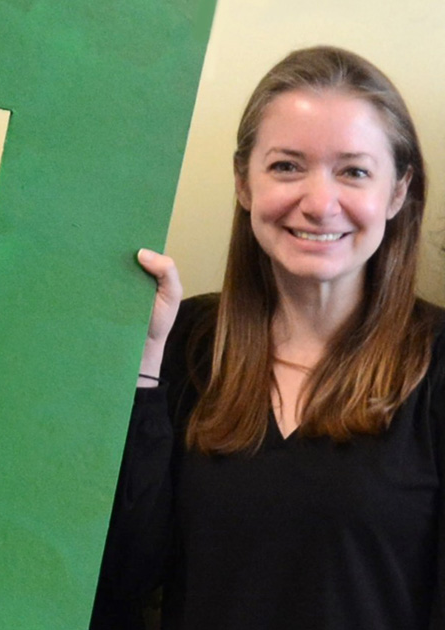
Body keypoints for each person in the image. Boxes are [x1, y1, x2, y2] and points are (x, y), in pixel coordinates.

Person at [94, 46, 440, 630]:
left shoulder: (436, 362)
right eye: (286, 166)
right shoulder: (186, 343)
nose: (319, 203)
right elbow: (124, 576)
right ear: (243, 183)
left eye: (353, 171)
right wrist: (144, 367)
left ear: (398, 192)